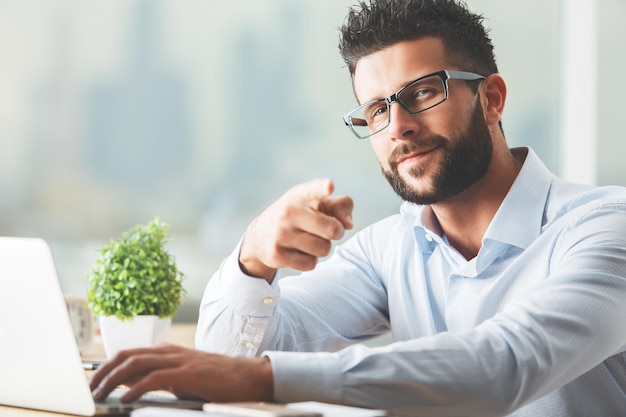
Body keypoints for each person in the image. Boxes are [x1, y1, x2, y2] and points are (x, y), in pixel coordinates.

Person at [90, 0, 626, 415]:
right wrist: (254, 257)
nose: (399, 128)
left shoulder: (603, 228)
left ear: (491, 99)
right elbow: (230, 360)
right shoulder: (390, 249)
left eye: (421, 93)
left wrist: (266, 379)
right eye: (376, 110)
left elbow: (507, 366)